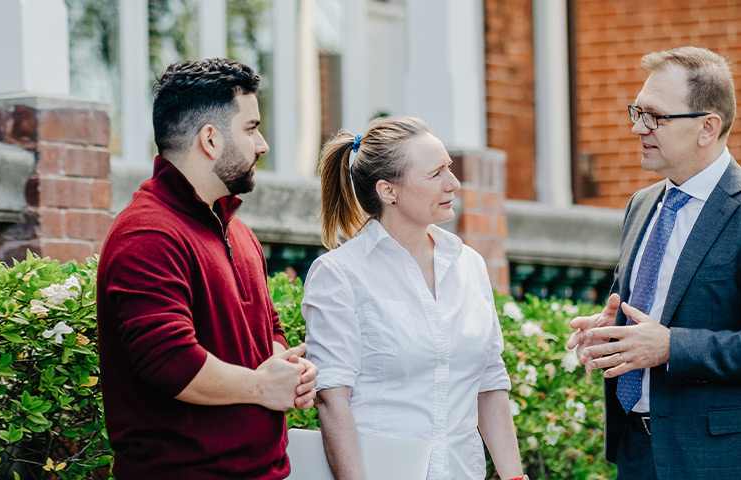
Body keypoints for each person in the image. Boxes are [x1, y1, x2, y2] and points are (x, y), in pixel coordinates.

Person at [566, 46, 741, 479]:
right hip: (638, 452)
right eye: (637, 112)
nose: (637, 127)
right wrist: (609, 334)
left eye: (655, 117)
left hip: (722, 462)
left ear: (707, 127)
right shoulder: (641, 206)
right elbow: (650, 315)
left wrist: (670, 347)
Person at [96, 58, 318, 479]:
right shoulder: (146, 235)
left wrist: (286, 369)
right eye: (251, 128)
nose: (263, 144)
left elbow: (267, 331)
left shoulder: (241, 233)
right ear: (210, 140)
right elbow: (171, 363)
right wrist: (260, 386)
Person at [301, 116, 525, 480]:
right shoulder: (339, 274)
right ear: (389, 191)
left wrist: (515, 477)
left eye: (449, 168)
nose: (453, 183)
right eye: (436, 174)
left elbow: (489, 384)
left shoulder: (469, 265)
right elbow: (332, 398)